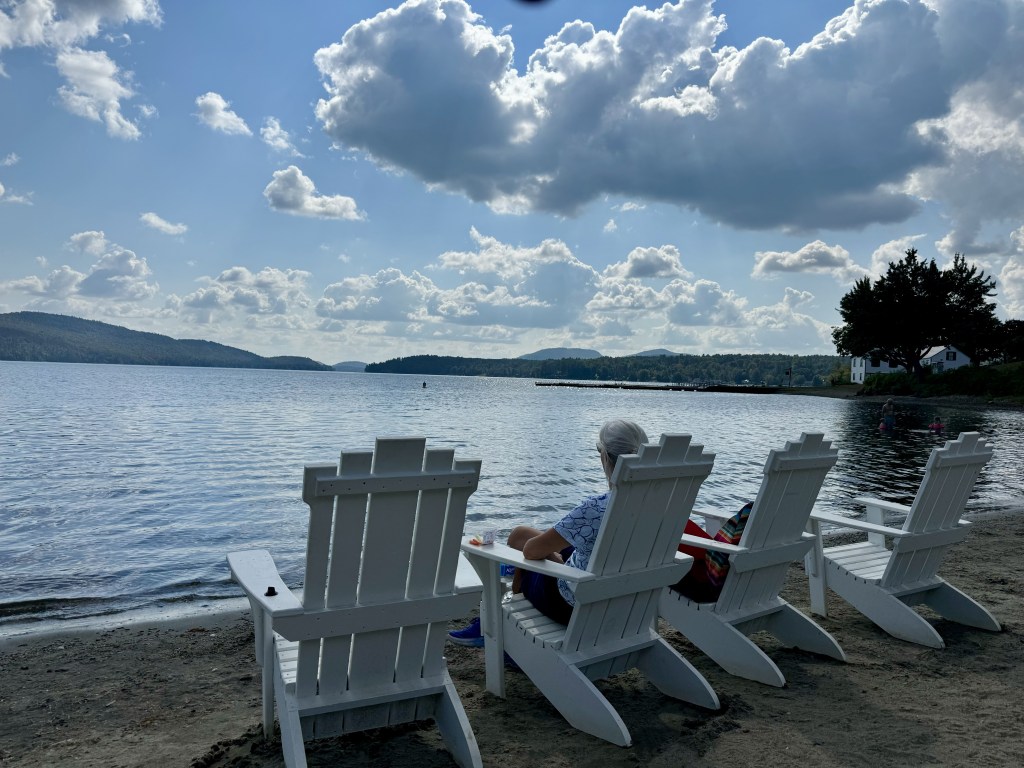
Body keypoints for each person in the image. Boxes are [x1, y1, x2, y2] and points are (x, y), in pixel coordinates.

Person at [448, 418, 649, 645]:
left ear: (605, 457)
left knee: (526, 554)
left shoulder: (597, 508)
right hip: (628, 603)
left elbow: (532, 551)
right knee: (519, 534)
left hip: (572, 604)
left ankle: (499, 631)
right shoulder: (659, 503)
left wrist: (552, 558)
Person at [671, 502, 753, 602]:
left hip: (711, 584)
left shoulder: (752, 510)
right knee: (673, 522)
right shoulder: (765, 518)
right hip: (752, 583)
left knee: (667, 525)